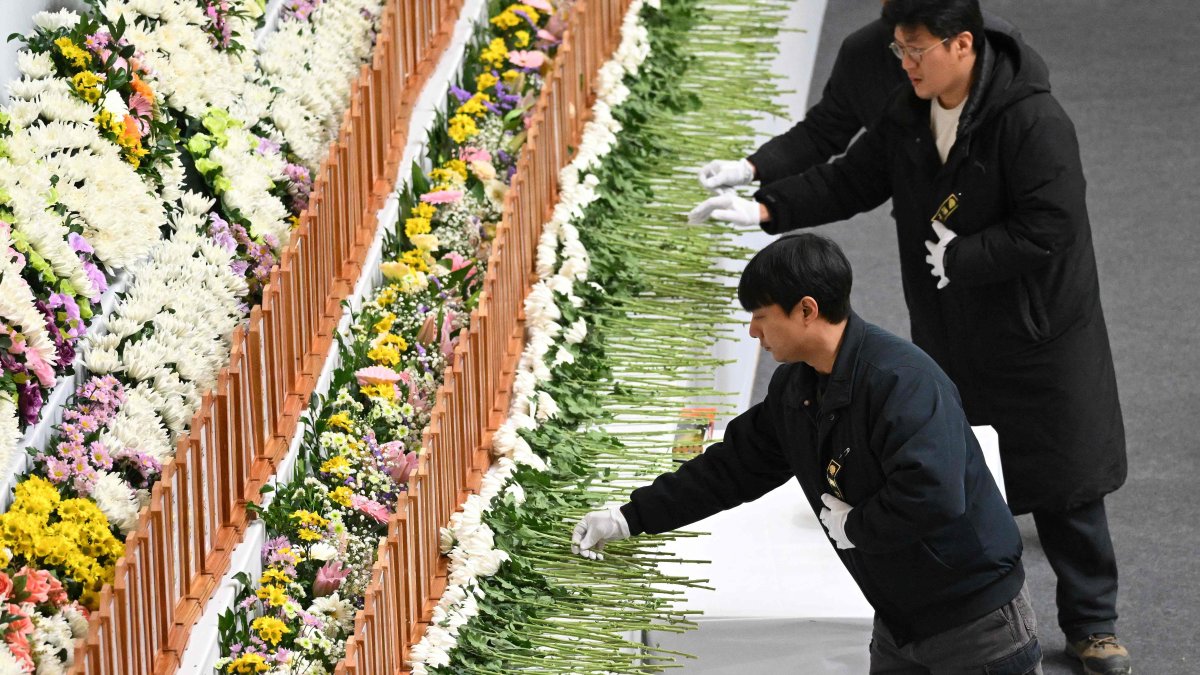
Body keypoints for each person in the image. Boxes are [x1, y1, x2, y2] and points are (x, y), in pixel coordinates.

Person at [689, 2, 1130, 674]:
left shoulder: (1034, 120)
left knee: (1064, 473)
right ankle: (985, 602)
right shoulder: (910, 110)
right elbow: (848, 176)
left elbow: (1051, 226)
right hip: (954, 325)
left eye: (916, 50)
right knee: (953, 465)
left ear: (962, 45)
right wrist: (763, 207)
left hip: (1038, 329)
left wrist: (966, 257)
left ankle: (1093, 620)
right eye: (899, 49)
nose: (904, 63)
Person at [573, 234, 1042, 674]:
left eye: (760, 314)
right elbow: (732, 467)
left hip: (976, 624)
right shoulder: (797, 385)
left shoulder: (901, 381)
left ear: (805, 310)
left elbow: (934, 493)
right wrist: (630, 517)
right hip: (899, 619)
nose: (753, 330)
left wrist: (855, 526)